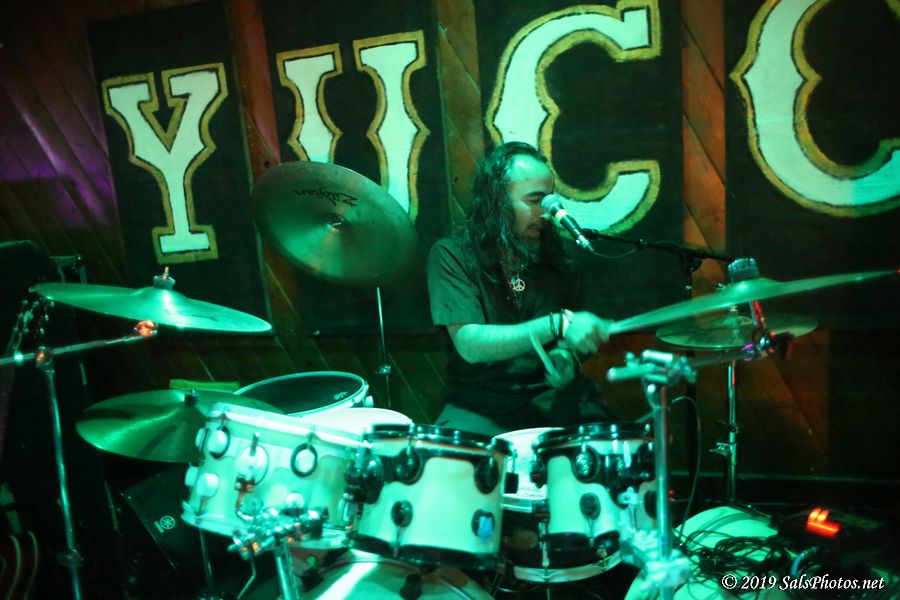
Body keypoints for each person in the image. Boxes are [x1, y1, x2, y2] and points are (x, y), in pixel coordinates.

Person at [427, 141, 615, 436]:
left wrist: (566, 357)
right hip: (479, 404)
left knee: (609, 446)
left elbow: (570, 337)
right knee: (452, 458)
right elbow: (470, 344)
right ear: (497, 201)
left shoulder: (558, 258)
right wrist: (558, 324)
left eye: (549, 201)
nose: (546, 213)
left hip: (549, 397)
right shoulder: (453, 254)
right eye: (534, 200)